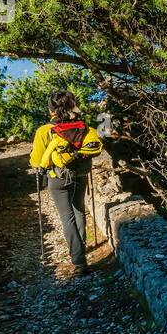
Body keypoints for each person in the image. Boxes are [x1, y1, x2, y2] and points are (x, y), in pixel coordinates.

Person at [29, 91, 103, 274]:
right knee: (79, 209)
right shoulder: (82, 126)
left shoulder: (44, 130)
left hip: (58, 178)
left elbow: (37, 161)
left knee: (66, 216)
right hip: (81, 174)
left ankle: (79, 261)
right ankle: (82, 246)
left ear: (51, 109)